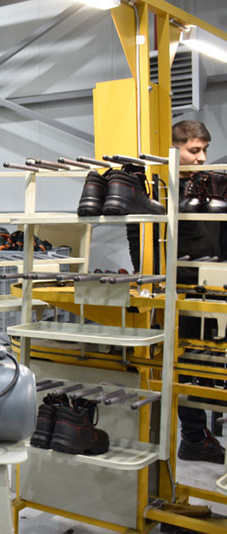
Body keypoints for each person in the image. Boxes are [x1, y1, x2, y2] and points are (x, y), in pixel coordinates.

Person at [172, 119, 226, 464]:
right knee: (185, 364)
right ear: (174, 149)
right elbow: (142, 244)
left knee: (211, 359)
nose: (202, 157)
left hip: (214, 286)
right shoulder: (162, 191)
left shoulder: (210, 188)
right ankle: (193, 437)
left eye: (204, 150)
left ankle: (203, 433)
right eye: (194, 150)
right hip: (181, 290)